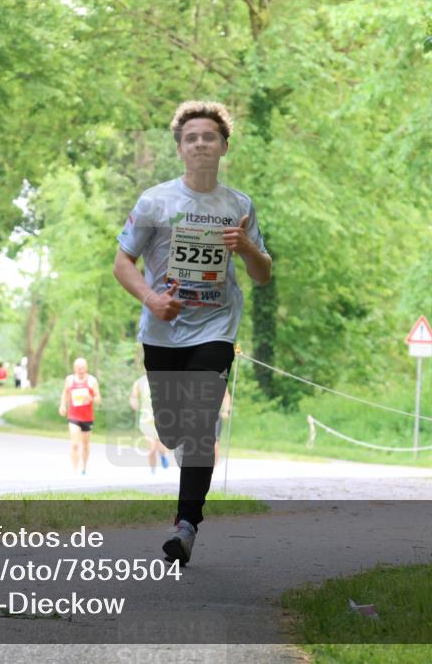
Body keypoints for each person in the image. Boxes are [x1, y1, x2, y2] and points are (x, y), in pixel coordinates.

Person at [113, 100, 271, 565]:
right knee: (172, 429)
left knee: (202, 424)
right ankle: (176, 438)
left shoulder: (239, 205)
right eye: (191, 138)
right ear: (181, 149)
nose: (200, 144)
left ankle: (185, 526)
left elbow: (262, 274)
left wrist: (245, 248)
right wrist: (151, 299)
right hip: (163, 330)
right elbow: (123, 262)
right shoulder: (155, 201)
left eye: (209, 137)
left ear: (224, 146)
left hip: (216, 328)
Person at [58, 358, 102, 475]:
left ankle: (84, 467)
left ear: (86, 368)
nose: (81, 370)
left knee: (85, 445)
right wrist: (62, 405)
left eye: (82, 368)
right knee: (75, 444)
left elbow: (98, 399)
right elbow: (65, 393)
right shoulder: (70, 380)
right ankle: (75, 471)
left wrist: (91, 398)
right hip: (74, 416)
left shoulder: (92, 381)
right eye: (78, 368)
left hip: (87, 418)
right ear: (74, 368)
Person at [130, 374, 169, 474]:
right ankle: (153, 471)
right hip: (146, 420)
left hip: (162, 418)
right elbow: (134, 395)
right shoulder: (140, 381)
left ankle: (163, 455)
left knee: (162, 446)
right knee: (151, 448)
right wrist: (134, 402)